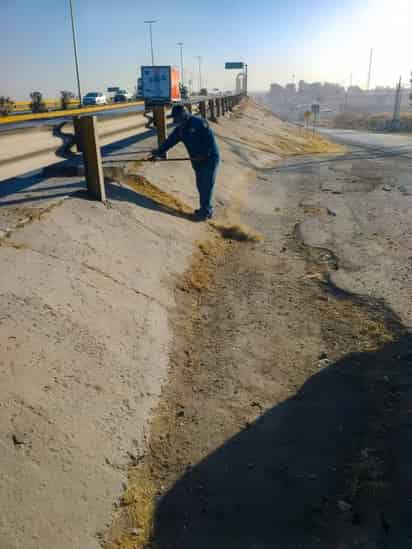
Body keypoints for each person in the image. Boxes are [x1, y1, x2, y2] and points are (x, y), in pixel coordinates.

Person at [148, 105, 220, 221]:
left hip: (209, 159)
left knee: (206, 185)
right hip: (196, 160)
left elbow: (209, 140)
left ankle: (206, 211)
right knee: (201, 185)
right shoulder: (180, 130)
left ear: (184, 115)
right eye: (174, 118)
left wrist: (205, 154)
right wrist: (158, 153)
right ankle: (204, 209)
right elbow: (170, 142)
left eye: (177, 118)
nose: (175, 121)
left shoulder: (199, 123)